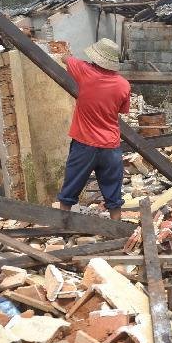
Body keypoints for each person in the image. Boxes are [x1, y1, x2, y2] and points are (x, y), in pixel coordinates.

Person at [57, 38, 130, 221]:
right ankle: (117, 229)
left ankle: (61, 229)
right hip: (110, 147)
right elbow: (122, 110)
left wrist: (65, 51)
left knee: (69, 190)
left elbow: (65, 58)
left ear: (95, 58)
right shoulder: (124, 85)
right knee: (113, 194)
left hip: (84, 144)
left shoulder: (84, 70)